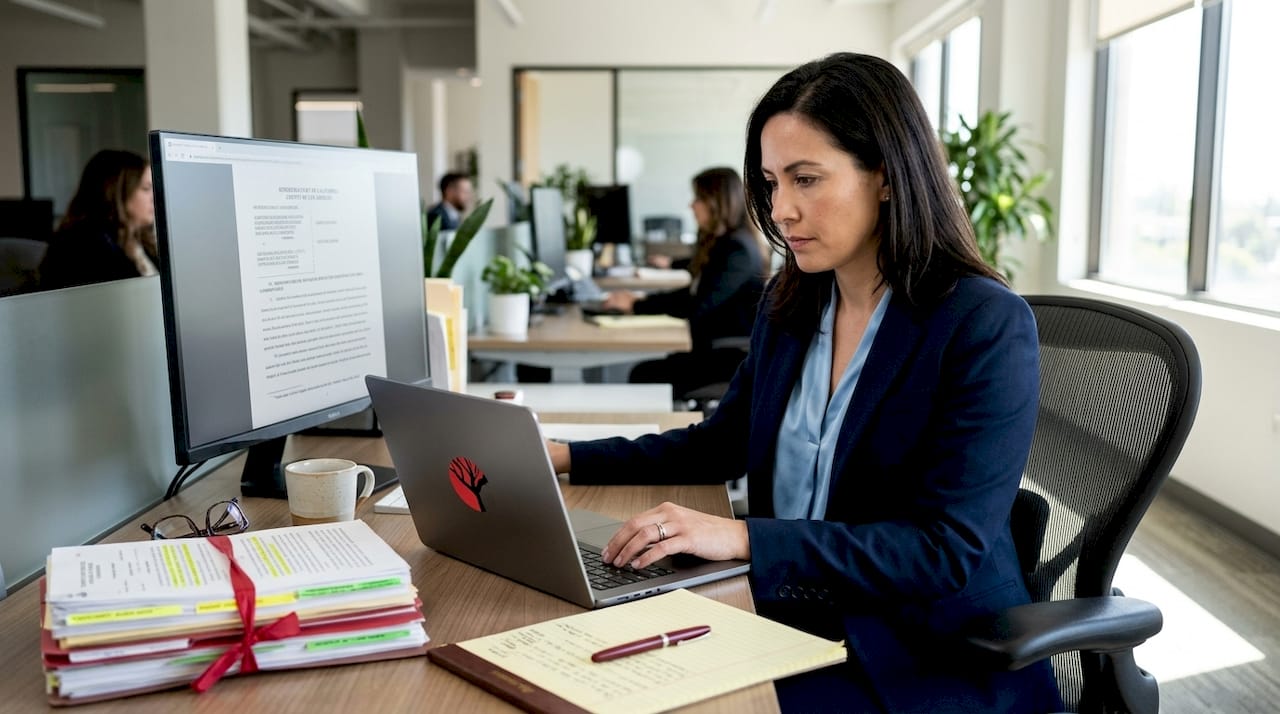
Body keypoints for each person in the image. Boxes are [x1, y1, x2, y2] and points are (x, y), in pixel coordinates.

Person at [548, 53, 1062, 713]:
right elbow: (718, 445)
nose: (782, 210)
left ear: (885, 174)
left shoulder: (981, 324)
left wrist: (744, 538)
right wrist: (564, 456)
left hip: (911, 652)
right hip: (783, 611)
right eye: (770, 182)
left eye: (807, 179)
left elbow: (943, 549)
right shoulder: (792, 303)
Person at [601, 167, 767, 398]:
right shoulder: (726, 244)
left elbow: (697, 302)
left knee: (643, 375)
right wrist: (640, 302)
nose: (692, 206)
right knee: (646, 371)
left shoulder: (737, 250)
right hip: (714, 350)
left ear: (718, 202)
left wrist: (637, 305)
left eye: (698, 198)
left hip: (728, 359)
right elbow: (696, 292)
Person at [40, 149, 157, 291]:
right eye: (146, 188)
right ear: (116, 192)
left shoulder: (139, 240)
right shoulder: (83, 245)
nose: (154, 197)